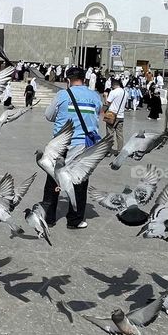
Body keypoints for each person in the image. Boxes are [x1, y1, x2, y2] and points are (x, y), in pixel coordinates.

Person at [40, 67, 103, 229]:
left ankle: (48, 218)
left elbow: (48, 116)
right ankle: (75, 220)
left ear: (68, 80)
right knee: (79, 182)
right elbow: (96, 115)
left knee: (53, 179)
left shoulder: (63, 95)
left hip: (60, 145)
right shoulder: (95, 96)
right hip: (82, 145)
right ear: (84, 79)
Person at [104, 78, 127, 154]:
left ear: (113, 85)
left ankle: (109, 150)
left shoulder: (113, 92)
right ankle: (120, 150)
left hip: (111, 114)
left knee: (110, 134)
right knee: (119, 134)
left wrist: (105, 96)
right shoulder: (125, 92)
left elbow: (107, 103)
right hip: (121, 115)